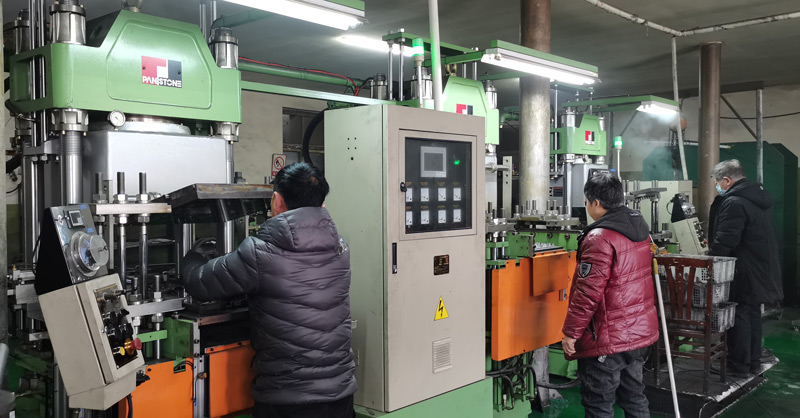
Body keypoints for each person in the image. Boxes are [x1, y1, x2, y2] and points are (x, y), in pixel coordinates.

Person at [181, 162, 356, 418]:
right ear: (322, 204)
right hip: (341, 392)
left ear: (277, 201)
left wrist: (193, 257)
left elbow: (199, 283)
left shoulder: (260, 253)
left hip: (288, 399)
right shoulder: (341, 247)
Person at [561, 173, 658, 418]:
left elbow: (587, 293)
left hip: (608, 338)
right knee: (634, 397)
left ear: (595, 203)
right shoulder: (639, 228)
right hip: (638, 334)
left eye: (586, 202)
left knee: (599, 404)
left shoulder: (599, 237)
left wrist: (571, 332)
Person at [709, 159, 783, 376]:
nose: (717, 186)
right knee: (752, 313)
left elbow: (726, 240)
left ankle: (738, 366)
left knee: (739, 314)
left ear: (726, 180)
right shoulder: (757, 198)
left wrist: (712, 263)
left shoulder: (734, 202)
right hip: (759, 266)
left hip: (742, 268)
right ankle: (752, 362)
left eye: (717, 183)